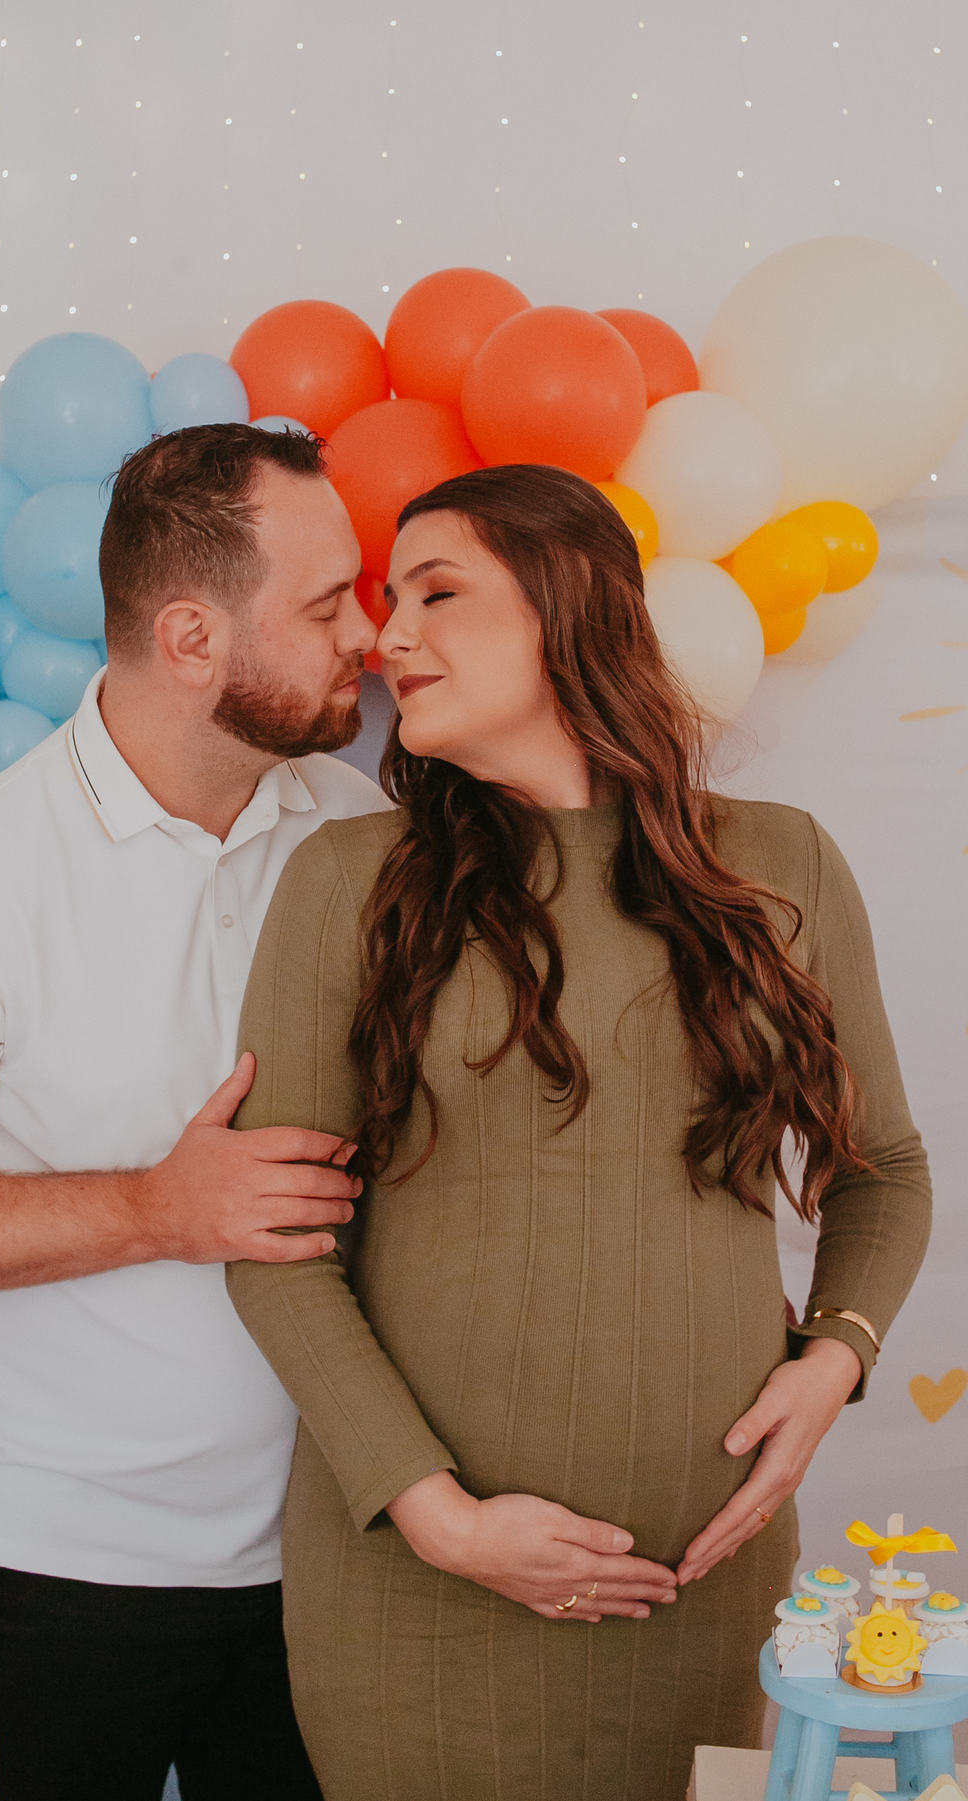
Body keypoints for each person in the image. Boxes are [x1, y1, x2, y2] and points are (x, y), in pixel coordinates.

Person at [225, 464, 933, 1801]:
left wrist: (835, 1358)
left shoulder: (782, 868)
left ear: (570, 610)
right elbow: (276, 1243)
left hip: (701, 1579)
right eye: (389, 599)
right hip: (412, 1592)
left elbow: (883, 1170)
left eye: (439, 592)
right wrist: (443, 1518)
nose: (392, 638)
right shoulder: (345, 886)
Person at [0, 424, 391, 1801]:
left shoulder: (349, 821)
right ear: (191, 638)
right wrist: (155, 1207)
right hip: (73, 1573)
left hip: (335, 1545)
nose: (368, 633)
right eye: (323, 604)